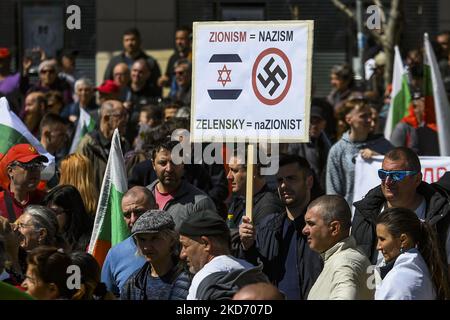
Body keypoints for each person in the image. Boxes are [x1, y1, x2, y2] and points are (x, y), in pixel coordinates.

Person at [238, 154, 322, 300]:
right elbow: (258, 274)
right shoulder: (268, 227)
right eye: (279, 180)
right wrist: (248, 247)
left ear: (309, 182)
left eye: (291, 178)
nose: (283, 185)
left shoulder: (322, 228)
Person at [352, 147, 450, 266]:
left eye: (397, 175)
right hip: (372, 284)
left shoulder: (440, 215)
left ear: (417, 179)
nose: (387, 181)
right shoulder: (365, 213)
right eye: (383, 174)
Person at [179, 209, 269, 300]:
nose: (182, 254)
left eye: (185, 246)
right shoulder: (254, 273)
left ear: (206, 243)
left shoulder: (203, 277)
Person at [303, 195, 373, 300]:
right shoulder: (342, 259)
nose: (304, 230)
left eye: (311, 224)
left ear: (335, 228)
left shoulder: (345, 262)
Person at [326, 98, 393, 206]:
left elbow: (398, 171)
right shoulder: (337, 150)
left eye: (369, 115)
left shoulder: (384, 145)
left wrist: (380, 158)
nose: (369, 120)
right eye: (363, 116)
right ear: (349, 119)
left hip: (383, 213)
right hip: (351, 215)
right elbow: (333, 191)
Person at [375, 207, 450, 300]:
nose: (378, 247)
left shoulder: (399, 281)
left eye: (382, 239)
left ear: (403, 240)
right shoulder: (417, 268)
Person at [121, 210, 191, 300]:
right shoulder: (133, 284)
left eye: (154, 238)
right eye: (142, 239)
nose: (146, 247)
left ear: (172, 239)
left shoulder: (189, 280)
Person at [147, 139, 216, 229]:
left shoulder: (199, 203)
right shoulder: (143, 197)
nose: (169, 169)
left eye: (175, 162)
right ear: (153, 164)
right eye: (163, 163)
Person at [101, 186, 157, 297]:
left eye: (139, 212)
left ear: (155, 209)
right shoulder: (115, 254)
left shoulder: (175, 249)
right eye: (127, 215)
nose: (133, 220)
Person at [77, 100, 130, 191]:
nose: (125, 120)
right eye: (121, 116)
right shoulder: (87, 144)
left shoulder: (124, 143)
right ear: (106, 118)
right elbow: (80, 179)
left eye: (126, 115)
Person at [227, 150, 283, 229]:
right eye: (229, 170)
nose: (229, 176)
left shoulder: (269, 206)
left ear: (253, 171)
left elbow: (262, 239)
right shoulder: (238, 202)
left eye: (235, 171)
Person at [103, 28, 161, 96]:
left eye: (133, 40)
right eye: (126, 40)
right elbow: (107, 82)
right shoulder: (115, 61)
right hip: (119, 99)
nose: (130, 43)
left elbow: (157, 85)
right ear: (123, 42)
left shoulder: (150, 62)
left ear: (139, 41)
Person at [288, 105, 332, 191]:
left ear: (324, 124)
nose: (314, 126)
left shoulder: (327, 143)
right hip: (303, 189)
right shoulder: (296, 142)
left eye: (318, 122)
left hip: (321, 190)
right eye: (311, 121)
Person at [0, 144, 48, 221]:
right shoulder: (1, 201)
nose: (35, 170)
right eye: (28, 165)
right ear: (10, 171)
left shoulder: (46, 201)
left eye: (38, 165)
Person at [42, 185, 93, 252]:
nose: (48, 217)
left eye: (54, 212)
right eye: (46, 211)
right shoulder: (44, 236)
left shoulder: (90, 242)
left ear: (71, 213)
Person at [390, 91, 439, 155]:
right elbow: (394, 155)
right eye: (423, 101)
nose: (429, 105)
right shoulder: (402, 128)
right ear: (414, 107)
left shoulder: (433, 127)